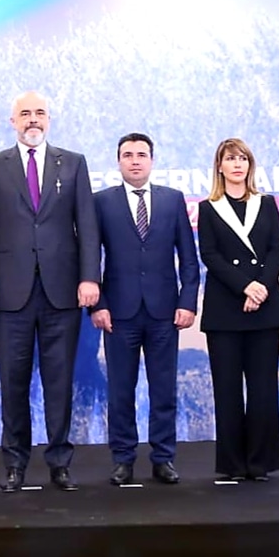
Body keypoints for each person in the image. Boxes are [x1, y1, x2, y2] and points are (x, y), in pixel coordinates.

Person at [0, 90, 100, 492]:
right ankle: (14, 464)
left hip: (62, 292)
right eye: (25, 113)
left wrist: (89, 277)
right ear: (12, 121)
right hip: (9, 293)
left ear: (49, 120)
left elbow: (88, 227)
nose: (33, 119)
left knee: (59, 381)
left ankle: (60, 462)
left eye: (40, 113)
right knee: (13, 382)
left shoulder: (74, 163)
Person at [91, 133, 199, 486]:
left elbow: (188, 257)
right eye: (127, 155)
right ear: (118, 161)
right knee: (120, 391)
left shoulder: (172, 200)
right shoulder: (101, 202)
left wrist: (187, 302)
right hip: (118, 314)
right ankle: (122, 459)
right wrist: (98, 305)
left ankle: (163, 458)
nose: (135, 160)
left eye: (141, 155)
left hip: (165, 312)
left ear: (152, 160)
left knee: (163, 389)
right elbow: (91, 257)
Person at [197, 138, 279, 482]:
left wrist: (261, 286)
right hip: (225, 308)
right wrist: (244, 286)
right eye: (229, 159)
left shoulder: (266, 203)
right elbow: (210, 255)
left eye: (242, 159)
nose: (237, 165)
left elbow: (275, 250)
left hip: (265, 307)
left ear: (250, 165)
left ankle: (259, 462)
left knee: (263, 388)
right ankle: (233, 464)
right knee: (227, 388)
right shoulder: (209, 207)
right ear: (219, 166)